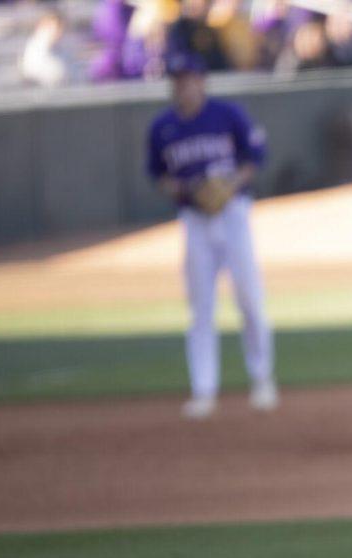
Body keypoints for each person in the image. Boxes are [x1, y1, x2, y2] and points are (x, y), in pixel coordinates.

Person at [146, 51, 278, 419]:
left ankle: (262, 379)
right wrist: (183, 190)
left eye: (188, 78)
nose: (183, 85)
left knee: (250, 299)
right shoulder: (162, 128)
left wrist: (229, 184)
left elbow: (254, 156)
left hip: (233, 214)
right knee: (200, 307)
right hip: (195, 220)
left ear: (202, 80)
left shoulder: (227, 114)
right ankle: (204, 390)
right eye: (177, 80)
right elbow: (158, 174)